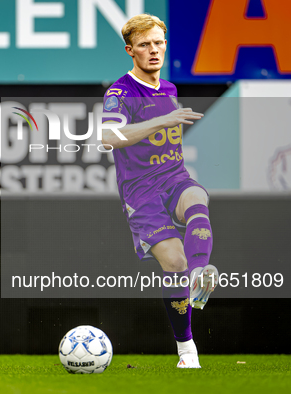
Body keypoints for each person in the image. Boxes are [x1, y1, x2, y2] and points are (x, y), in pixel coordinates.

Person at [101, 14, 218, 368]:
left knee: (198, 199)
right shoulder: (119, 93)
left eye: (158, 43)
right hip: (141, 193)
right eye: (144, 45)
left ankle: (200, 273)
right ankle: (186, 349)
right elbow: (108, 138)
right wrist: (162, 120)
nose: (154, 50)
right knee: (174, 262)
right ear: (130, 51)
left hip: (174, 177)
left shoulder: (168, 88)